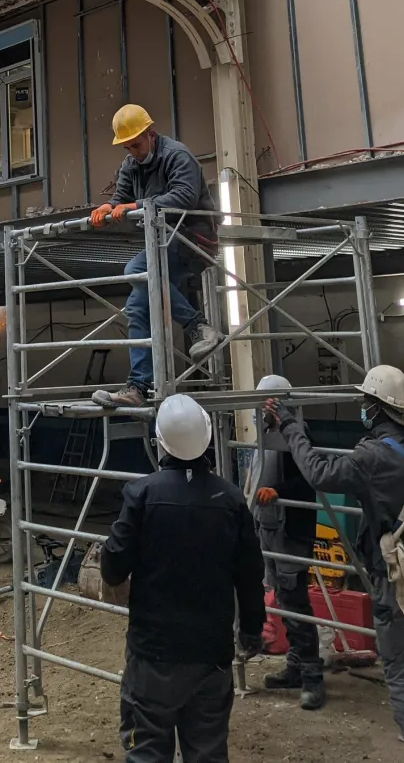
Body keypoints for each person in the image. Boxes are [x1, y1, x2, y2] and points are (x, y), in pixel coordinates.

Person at [265, 364, 404, 763]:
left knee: (401, 674)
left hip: (395, 579)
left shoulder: (372, 457)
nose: (363, 408)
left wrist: (289, 426)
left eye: (366, 402)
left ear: (379, 408)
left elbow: (318, 473)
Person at [101, 393, 265, 763]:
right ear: (207, 437)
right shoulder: (231, 500)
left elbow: (113, 570)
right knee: (207, 751)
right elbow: (250, 573)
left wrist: (114, 546)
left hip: (153, 654)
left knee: (147, 751)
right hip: (211, 655)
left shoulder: (141, 494)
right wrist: (252, 630)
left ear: (160, 441)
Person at [90, 104, 220, 408]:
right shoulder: (130, 164)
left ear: (151, 134)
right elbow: (121, 198)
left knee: (135, 269)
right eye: (126, 147)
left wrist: (135, 206)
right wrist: (109, 207)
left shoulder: (178, 156)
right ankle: (138, 387)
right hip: (163, 241)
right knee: (138, 305)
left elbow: (184, 197)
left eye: (136, 144)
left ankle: (196, 325)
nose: (133, 152)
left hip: (194, 239)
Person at [247, 375, 324, 711]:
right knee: (283, 598)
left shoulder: (297, 436)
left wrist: (279, 491)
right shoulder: (267, 434)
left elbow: (307, 481)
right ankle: (295, 666)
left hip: (290, 531)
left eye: (266, 403)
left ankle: (312, 676)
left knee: (295, 603)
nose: (261, 410)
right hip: (269, 528)